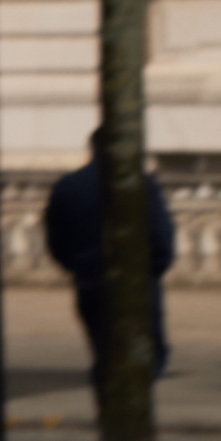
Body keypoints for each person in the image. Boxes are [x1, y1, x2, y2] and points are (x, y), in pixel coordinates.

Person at [43, 145, 173, 409]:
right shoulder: (142, 183)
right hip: (138, 280)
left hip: (90, 277)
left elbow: (56, 238)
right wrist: (155, 268)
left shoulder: (68, 186)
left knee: (104, 350)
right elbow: (161, 233)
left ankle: (112, 412)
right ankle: (133, 419)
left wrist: (75, 265)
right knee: (146, 353)